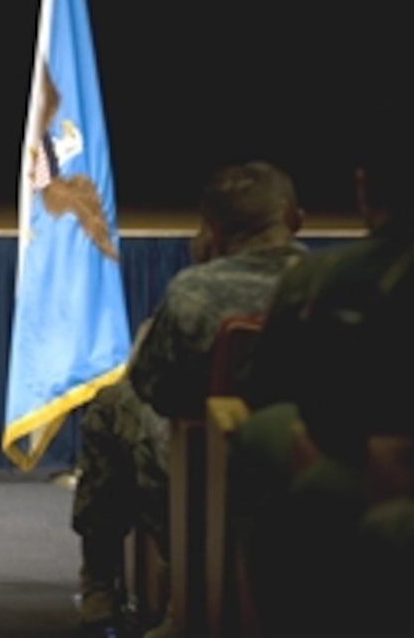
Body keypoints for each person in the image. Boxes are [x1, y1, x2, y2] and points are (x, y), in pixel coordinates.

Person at [72, 161, 306, 637]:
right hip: (316, 452)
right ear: (295, 217)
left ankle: (106, 583)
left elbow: (153, 385)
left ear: (212, 230)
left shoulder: (195, 291)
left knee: (110, 406)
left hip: (204, 462)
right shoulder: (327, 281)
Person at [233, 101, 414, 636]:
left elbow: (263, 386)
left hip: (349, 469)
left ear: (363, 191)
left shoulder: (319, 279)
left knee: (258, 435)